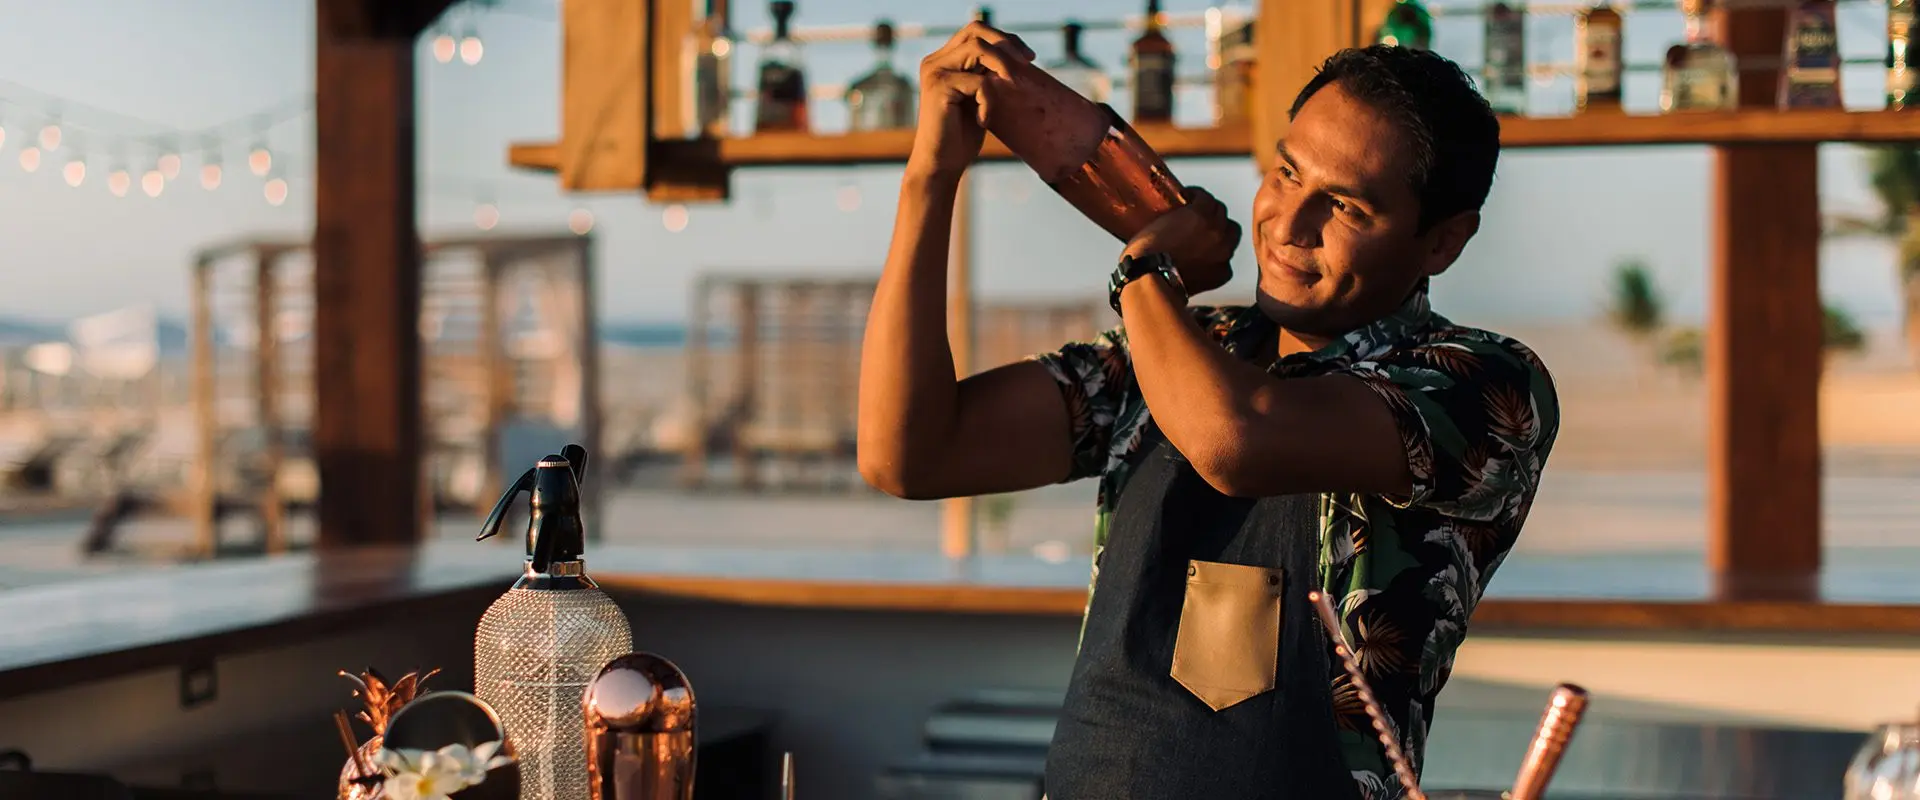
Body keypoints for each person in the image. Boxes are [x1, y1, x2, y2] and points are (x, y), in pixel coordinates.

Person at [856, 23, 1559, 800]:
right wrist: (931, 178)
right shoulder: (1187, 346)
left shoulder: (1480, 385)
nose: (1289, 226)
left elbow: (1235, 441)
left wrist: (1146, 269)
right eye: (1286, 174)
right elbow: (909, 453)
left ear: (1444, 241)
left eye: (1347, 209)